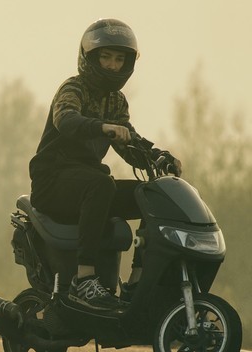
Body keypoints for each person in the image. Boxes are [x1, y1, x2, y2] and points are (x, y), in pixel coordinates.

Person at [29, 19, 182, 310]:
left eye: (119, 59)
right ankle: (84, 279)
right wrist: (102, 127)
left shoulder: (116, 101)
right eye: (105, 57)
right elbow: (65, 120)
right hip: (53, 182)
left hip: (88, 186)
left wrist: (159, 157)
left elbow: (130, 143)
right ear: (89, 57)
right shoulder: (73, 88)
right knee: (101, 183)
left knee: (153, 196)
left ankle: (137, 281)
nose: (112, 66)